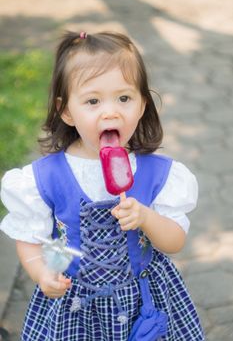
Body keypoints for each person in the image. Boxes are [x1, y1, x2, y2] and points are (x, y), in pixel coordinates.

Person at [0, 31, 204, 341]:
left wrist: (147, 218)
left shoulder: (158, 173)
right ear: (66, 110)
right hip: (75, 307)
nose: (111, 111)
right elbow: (31, 239)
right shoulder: (44, 178)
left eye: (124, 98)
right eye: (93, 101)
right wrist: (42, 273)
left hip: (143, 298)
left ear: (142, 104)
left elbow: (174, 242)